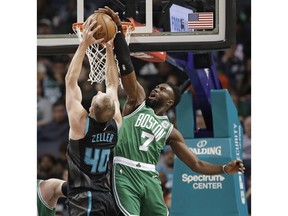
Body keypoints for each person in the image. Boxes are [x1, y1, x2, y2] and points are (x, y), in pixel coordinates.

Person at [96, 6, 246, 216]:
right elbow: (127, 66)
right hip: (124, 171)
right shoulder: (136, 102)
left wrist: (223, 169)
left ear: (171, 102)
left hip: (149, 176)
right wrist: (119, 32)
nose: (157, 88)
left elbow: (196, 163)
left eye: (164, 89)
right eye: (158, 86)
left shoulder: (170, 131)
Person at [64, 15, 122, 216]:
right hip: (107, 197)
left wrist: (84, 44)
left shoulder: (81, 123)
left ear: (89, 110)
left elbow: (70, 82)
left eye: (98, 94)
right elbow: (113, 84)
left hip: (85, 197)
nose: (99, 91)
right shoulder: (116, 122)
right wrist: (109, 48)